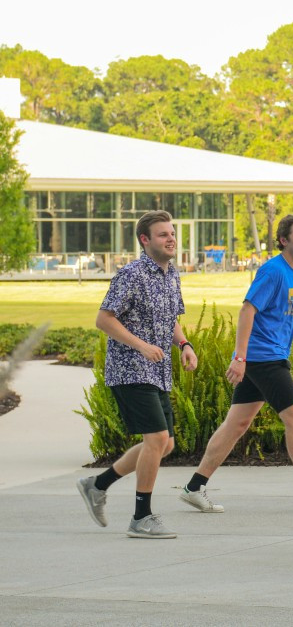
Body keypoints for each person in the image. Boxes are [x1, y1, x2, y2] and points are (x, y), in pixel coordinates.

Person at [179, 213, 293, 514]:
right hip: (264, 358)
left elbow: (291, 312)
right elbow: (248, 311)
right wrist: (240, 357)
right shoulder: (272, 271)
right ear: (284, 240)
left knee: (237, 424)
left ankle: (194, 487)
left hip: (267, 356)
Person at [76, 211, 198, 539]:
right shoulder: (131, 274)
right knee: (156, 440)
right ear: (145, 240)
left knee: (165, 444)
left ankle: (96, 485)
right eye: (163, 235)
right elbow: (104, 319)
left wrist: (184, 343)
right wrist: (142, 346)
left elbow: (171, 318)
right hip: (129, 369)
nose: (171, 238)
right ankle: (141, 517)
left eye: (172, 233)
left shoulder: (172, 275)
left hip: (158, 371)